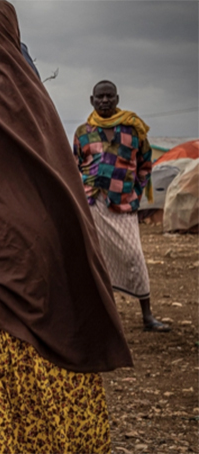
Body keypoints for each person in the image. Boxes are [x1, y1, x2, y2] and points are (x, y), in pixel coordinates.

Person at [0, 1, 133, 452]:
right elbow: (21, 172)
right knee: (53, 356)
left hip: (6, 261)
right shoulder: (35, 95)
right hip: (52, 254)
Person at [74, 80, 169, 332]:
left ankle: (147, 316)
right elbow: (74, 166)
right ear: (91, 100)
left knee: (134, 257)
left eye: (109, 96)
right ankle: (100, 316)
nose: (104, 100)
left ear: (117, 99)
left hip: (124, 205)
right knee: (94, 260)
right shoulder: (83, 132)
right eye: (100, 97)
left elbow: (145, 165)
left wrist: (135, 192)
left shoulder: (133, 130)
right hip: (92, 203)